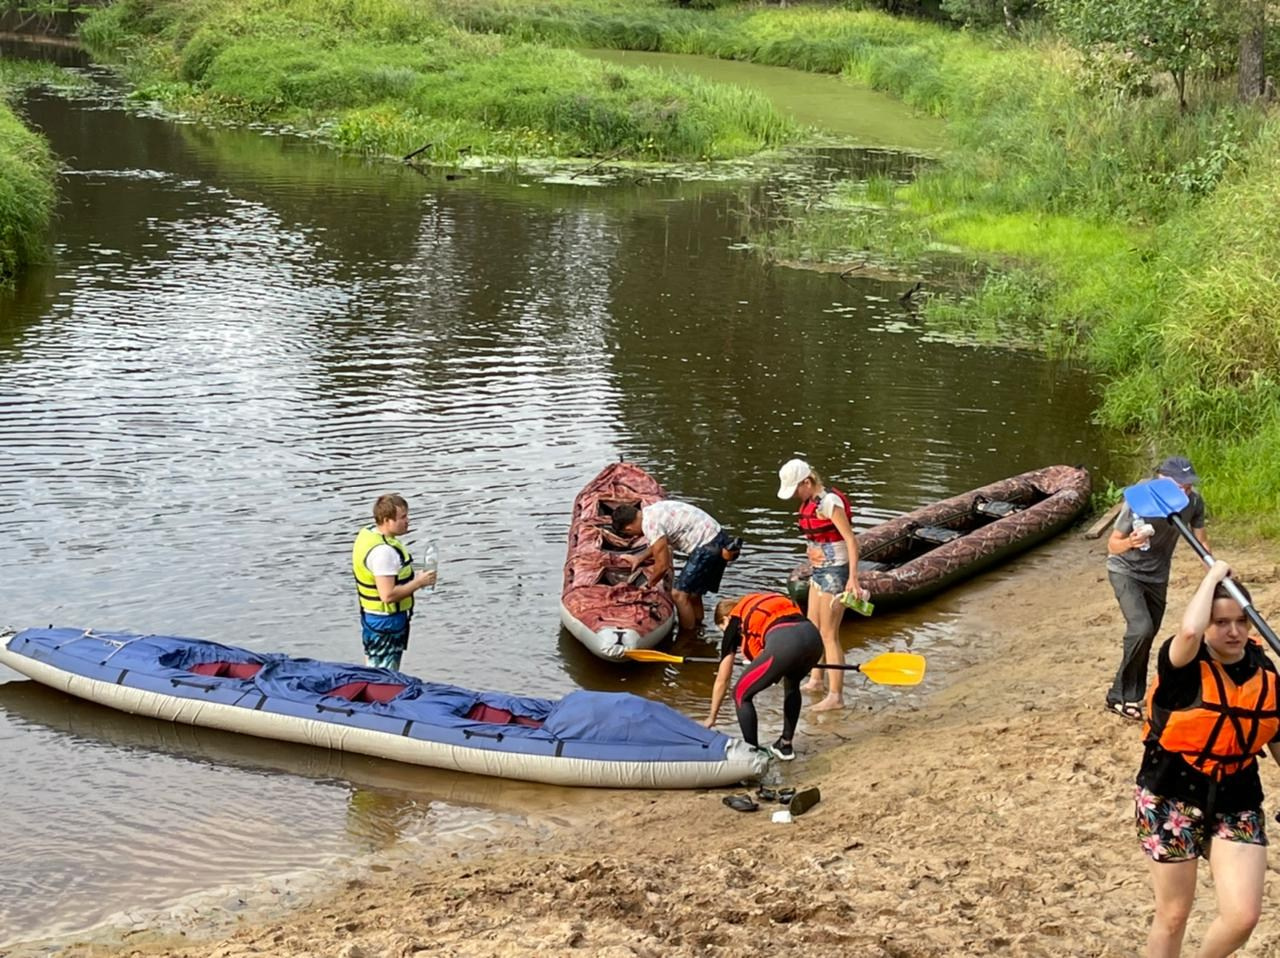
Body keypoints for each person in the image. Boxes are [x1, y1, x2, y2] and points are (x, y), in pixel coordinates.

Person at [1136, 559, 1280, 958]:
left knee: (1243, 916)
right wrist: (1213, 577)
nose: (1233, 631)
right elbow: (1188, 629)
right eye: (1221, 622)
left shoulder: (1265, 673)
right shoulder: (1182, 664)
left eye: (1241, 621)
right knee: (1174, 914)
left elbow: (1275, 738)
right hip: (1171, 795)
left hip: (1237, 796)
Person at [1105, 455, 1210, 720]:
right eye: (1180, 485)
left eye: (1188, 484)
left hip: (1157, 576)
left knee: (1147, 635)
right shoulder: (1138, 503)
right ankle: (1125, 696)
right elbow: (1112, 545)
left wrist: (1215, 570)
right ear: (1162, 480)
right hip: (1125, 571)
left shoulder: (1194, 502)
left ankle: (1118, 691)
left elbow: (1202, 544)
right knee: (1140, 629)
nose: (1185, 490)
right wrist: (1131, 542)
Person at [777, 458, 868, 712]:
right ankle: (817, 679)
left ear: (807, 482)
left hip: (835, 572)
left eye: (796, 489)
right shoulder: (810, 504)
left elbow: (851, 540)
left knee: (829, 634)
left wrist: (853, 578)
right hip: (818, 571)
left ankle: (836, 695)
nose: (795, 495)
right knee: (813, 627)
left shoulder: (830, 503)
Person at [702, 592, 825, 761]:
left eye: (722, 628)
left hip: (785, 642)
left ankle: (753, 754)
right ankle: (785, 744)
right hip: (814, 639)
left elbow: (723, 678)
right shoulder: (758, 602)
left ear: (725, 619)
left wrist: (712, 717)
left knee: (740, 694)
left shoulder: (734, 622)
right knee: (792, 683)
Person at [611, 500, 741, 632]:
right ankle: (699, 629)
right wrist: (639, 558)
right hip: (718, 538)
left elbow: (662, 566)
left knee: (679, 594)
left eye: (630, 534)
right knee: (694, 594)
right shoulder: (651, 511)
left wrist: (648, 586)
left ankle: (687, 638)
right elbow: (659, 545)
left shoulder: (650, 525)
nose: (635, 536)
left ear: (628, 529)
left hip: (706, 547)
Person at [351, 493, 436, 670]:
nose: (408, 521)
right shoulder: (383, 552)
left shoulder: (369, 535)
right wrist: (419, 583)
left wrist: (413, 577)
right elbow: (387, 595)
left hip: (375, 618)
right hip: (385, 622)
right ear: (387, 520)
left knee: (376, 668)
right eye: (402, 517)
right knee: (384, 674)